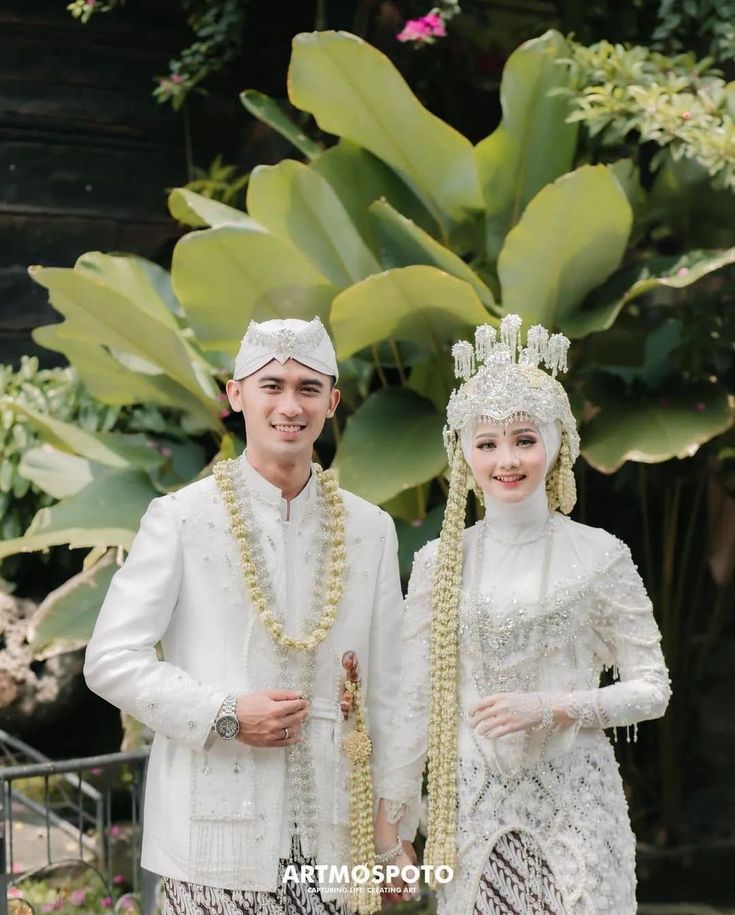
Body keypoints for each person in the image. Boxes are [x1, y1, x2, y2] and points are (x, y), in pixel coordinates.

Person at [84, 316, 404, 914]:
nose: (290, 404)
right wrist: (225, 713)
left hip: (332, 838)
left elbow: (389, 692)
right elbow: (109, 660)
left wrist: (392, 837)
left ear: (332, 402)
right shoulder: (181, 518)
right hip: (211, 836)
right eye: (272, 384)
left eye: (309, 388)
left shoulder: (370, 530)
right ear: (236, 395)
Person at [374, 315, 671, 914]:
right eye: (487, 444)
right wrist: (393, 830)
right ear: (464, 454)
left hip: (578, 813)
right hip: (472, 817)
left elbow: (652, 690)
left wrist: (552, 708)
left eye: (524, 440)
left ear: (555, 445)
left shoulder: (600, 555)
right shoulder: (439, 563)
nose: (506, 460)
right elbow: (414, 701)